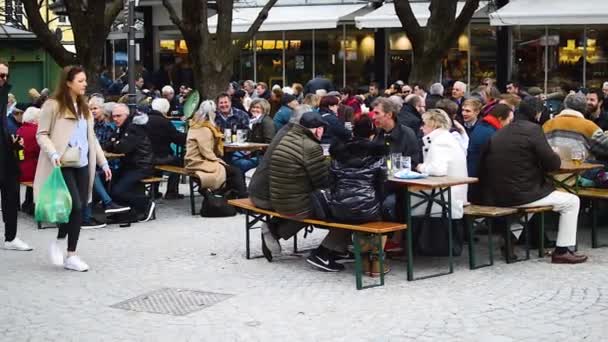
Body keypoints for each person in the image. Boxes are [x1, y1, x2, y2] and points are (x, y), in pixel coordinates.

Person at [476, 95, 588, 264]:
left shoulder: (500, 131)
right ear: (537, 114)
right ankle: (563, 250)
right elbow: (552, 164)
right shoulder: (534, 130)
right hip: (520, 193)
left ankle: (511, 236)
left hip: (495, 194)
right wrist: (556, 154)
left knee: (533, 202)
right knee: (572, 201)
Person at [36, 65, 111, 271]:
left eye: (85, 80)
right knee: (75, 206)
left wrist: (103, 162)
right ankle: (65, 247)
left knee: (81, 207)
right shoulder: (53, 105)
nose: (85, 84)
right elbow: (41, 134)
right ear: (68, 82)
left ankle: (69, 251)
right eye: (80, 80)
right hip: (62, 162)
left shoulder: (84, 106)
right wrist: (52, 153)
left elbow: (91, 138)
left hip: (82, 163)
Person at [264, 111, 351, 272]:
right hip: (297, 203)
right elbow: (322, 181)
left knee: (313, 205)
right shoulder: (311, 147)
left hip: (279, 199)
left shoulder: (287, 138)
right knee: (348, 212)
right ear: (318, 129)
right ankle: (323, 254)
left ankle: (275, 230)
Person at [250, 105, 311, 209]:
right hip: (266, 198)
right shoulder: (294, 136)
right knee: (313, 203)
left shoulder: (285, 130)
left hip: (257, 191)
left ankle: (274, 224)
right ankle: (274, 225)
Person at [184, 100, 247, 201]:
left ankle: (229, 197)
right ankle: (242, 199)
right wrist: (219, 161)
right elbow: (207, 152)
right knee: (236, 172)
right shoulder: (205, 129)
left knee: (231, 170)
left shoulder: (195, 125)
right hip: (198, 162)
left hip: (193, 160)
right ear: (211, 113)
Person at [328, 115, 387, 223]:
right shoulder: (376, 155)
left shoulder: (338, 153)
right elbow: (382, 185)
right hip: (368, 209)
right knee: (390, 205)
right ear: (372, 134)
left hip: (338, 208)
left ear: (353, 132)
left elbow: (332, 183)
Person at [104, 104, 156, 223]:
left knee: (118, 191)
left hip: (141, 166)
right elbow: (108, 144)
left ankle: (145, 203)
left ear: (127, 116)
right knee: (108, 181)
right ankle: (123, 212)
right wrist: (115, 143)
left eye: (118, 116)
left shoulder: (134, 127)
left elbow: (122, 147)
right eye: (114, 116)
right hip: (129, 165)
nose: (115, 119)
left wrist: (115, 143)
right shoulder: (122, 127)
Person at [82, 97, 128, 229]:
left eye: (95, 108)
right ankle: (106, 203)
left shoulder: (109, 126)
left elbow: (107, 145)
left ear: (102, 109)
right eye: (90, 109)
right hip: (98, 161)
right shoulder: (92, 124)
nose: (93, 111)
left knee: (92, 173)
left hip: (110, 163)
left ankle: (100, 206)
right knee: (91, 173)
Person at [543, 93, 608, 160]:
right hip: (580, 168)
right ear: (584, 108)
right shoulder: (589, 126)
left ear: (565, 105)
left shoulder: (547, 124)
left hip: (552, 168)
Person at [148, 98, 186, 199]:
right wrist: (188, 136)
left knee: (160, 164)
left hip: (146, 157)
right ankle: (171, 191)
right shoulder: (164, 122)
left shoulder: (145, 119)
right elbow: (177, 138)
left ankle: (154, 191)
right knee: (178, 162)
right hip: (159, 157)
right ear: (166, 109)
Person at [467, 103, 514, 178]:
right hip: (481, 179)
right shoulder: (494, 134)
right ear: (500, 119)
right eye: (509, 121)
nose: (510, 124)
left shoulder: (481, 126)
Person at [372, 97, 421, 167]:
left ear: (389, 115)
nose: (373, 117)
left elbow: (413, 162)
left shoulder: (407, 134)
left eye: (377, 113)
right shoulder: (378, 134)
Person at [17, 107, 41, 216]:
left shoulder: (20, 129)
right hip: (30, 171)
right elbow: (39, 152)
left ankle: (27, 203)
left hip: (20, 169)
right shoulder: (36, 131)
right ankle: (33, 206)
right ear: (36, 119)